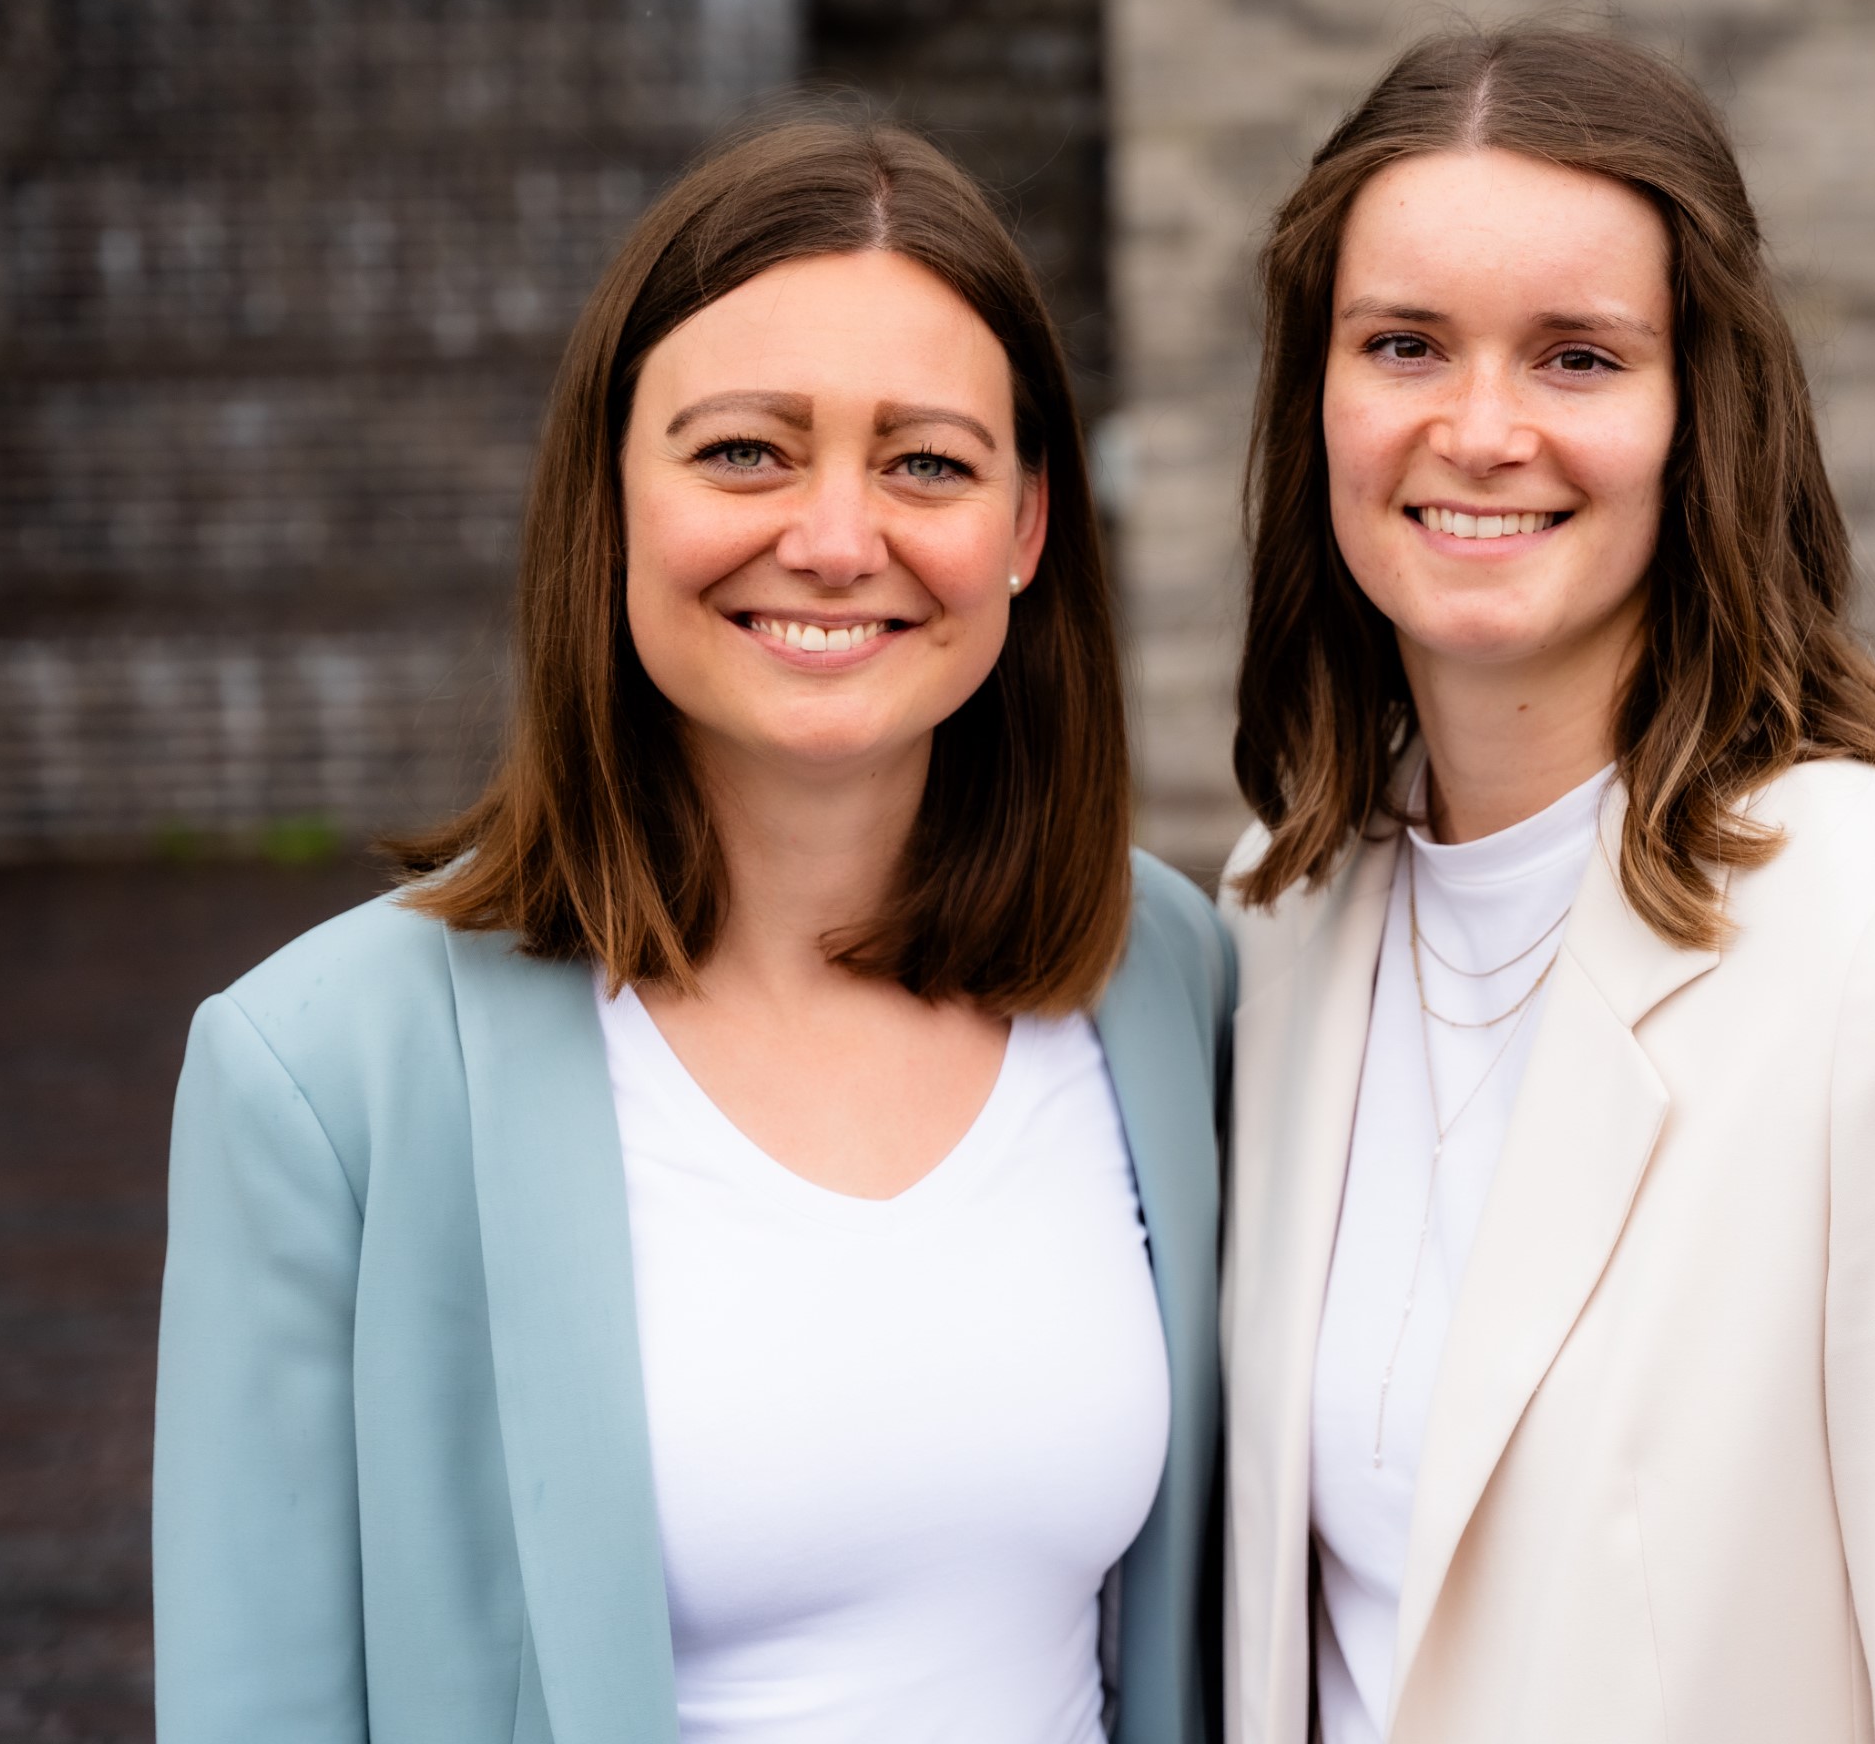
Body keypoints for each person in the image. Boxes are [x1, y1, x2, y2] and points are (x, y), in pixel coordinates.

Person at [153, 116, 1230, 1744]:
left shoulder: (1163, 976)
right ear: (610, 496)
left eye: (927, 460)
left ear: (1024, 529)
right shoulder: (321, 1075)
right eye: (746, 450)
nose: (836, 537)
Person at [1219, 25, 1875, 1743]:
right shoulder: (1274, 920)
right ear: (1319, 400)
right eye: (1406, 344)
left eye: (1578, 356)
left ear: (1699, 410)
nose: (1481, 428)